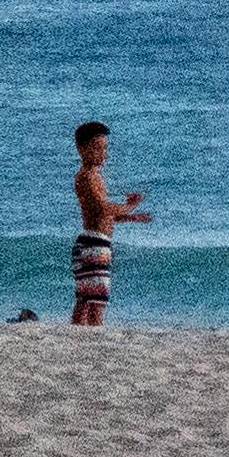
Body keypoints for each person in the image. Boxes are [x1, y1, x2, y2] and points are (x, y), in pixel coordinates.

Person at [68, 119, 146, 326]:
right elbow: (103, 208)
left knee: (85, 299)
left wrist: (131, 217)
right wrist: (130, 206)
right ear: (81, 149)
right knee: (96, 302)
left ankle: (77, 337)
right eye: (97, 148)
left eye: (105, 148)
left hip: (94, 243)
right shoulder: (87, 177)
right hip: (94, 245)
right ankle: (92, 338)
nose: (103, 153)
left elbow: (101, 214)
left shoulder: (93, 177)